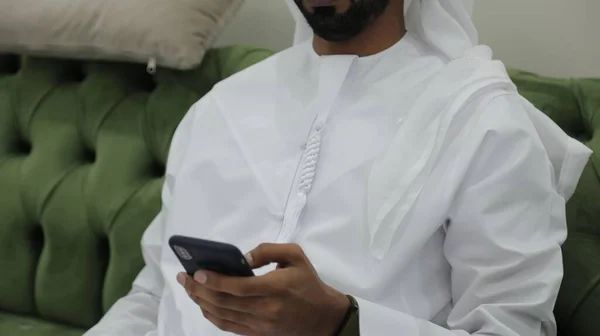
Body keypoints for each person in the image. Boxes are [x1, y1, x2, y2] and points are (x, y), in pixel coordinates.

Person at [86, 0, 592, 335]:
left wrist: (342, 323)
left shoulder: (483, 122)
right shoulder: (222, 108)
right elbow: (153, 293)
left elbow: (511, 327)